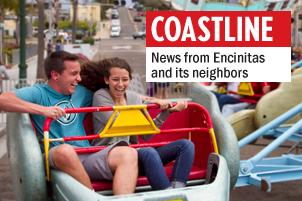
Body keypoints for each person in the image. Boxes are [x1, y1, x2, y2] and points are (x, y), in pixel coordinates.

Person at [0, 51, 138, 195]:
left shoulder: (81, 92)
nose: (78, 78)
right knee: (65, 151)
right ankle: (92, 197)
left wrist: (151, 100)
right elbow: (3, 100)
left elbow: (115, 92)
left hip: (86, 155)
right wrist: (42, 110)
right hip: (58, 155)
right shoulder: (38, 92)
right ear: (55, 75)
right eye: (73, 74)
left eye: (79, 73)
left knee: (128, 153)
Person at [80, 57, 195, 190]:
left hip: (134, 154)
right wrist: (150, 102)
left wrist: (167, 112)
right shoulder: (101, 96)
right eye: (115, 79)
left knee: (186, 145)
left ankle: (178, 190)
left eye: (125, 80)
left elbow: (145, 135)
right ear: (107, 80)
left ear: (130, 80)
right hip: (110, 154)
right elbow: (119, 123)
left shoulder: (133, 97)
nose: (120, 84)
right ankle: (168, 195)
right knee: (148, 152)